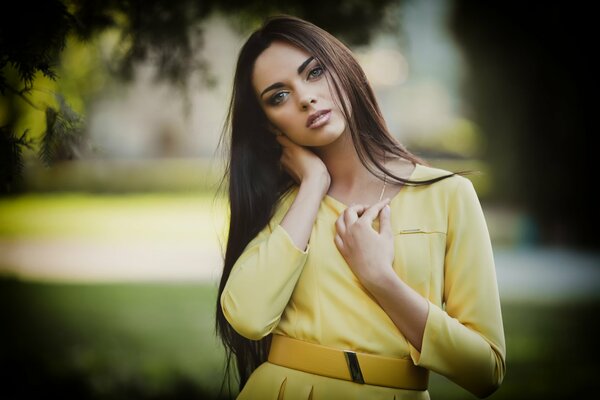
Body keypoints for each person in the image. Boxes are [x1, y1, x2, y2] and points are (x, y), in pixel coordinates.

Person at [215, 14, 505, 400]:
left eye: (314, 72)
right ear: (271, 125)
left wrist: (379, 278)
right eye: (278, 96)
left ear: (345, 70)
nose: (305, 97)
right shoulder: (283, 206)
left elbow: (485, 370)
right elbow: (248, 317)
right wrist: (313, 185)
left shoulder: (449, 195)